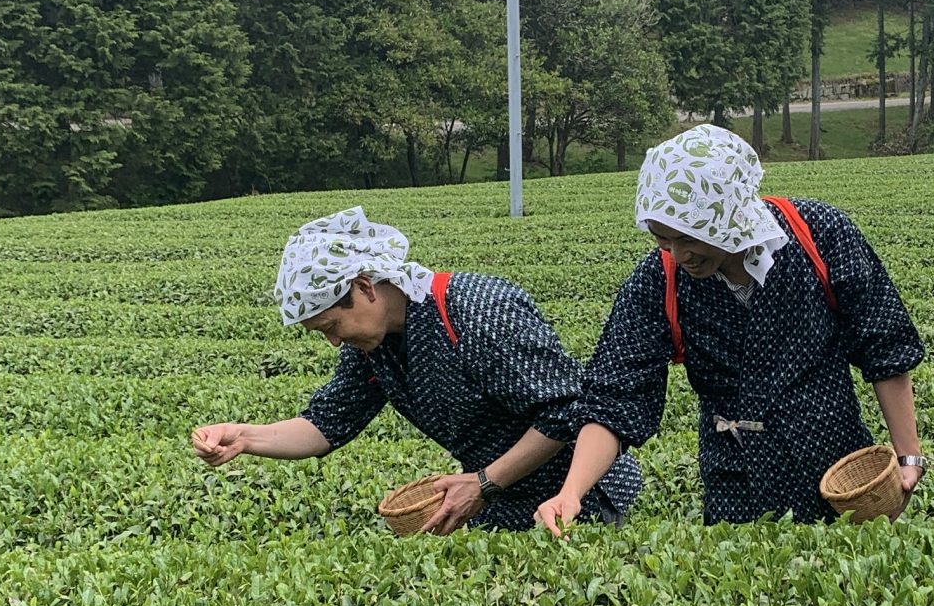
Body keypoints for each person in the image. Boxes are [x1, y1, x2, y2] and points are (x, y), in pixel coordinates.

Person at [535, 125, 927, 533]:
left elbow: (884, 347)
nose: (679, 254)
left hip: (839, 472)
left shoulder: (821, 234)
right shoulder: (659, 278)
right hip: (734, 483)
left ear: (730, 215)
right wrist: (572, 491)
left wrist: (908, 456)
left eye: (689, 238)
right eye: (662, 239)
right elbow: (616, 395)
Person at [191, 206, 639, 532]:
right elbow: (325, 426)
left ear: (364, 286)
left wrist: (484, 482)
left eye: (331, 324)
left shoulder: (477, 310)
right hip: (498, 501)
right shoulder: (375, 347)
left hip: (580, 499)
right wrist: (244, 437)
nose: (332, 340)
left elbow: (565, 411)